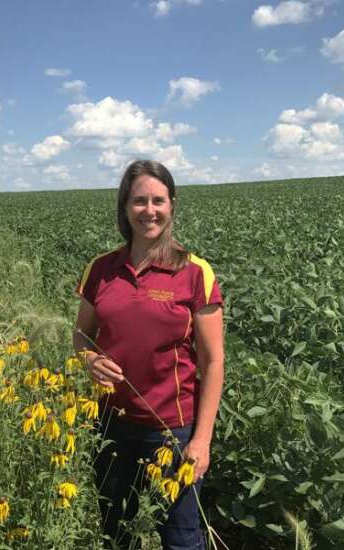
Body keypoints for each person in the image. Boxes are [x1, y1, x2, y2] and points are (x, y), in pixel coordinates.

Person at [73, 159, 225, 549]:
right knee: (116, 529)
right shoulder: (101, 269)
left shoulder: (195, 273)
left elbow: (212, 361)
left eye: (158, 200)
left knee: (181, 537)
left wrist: (201, 440)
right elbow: (81, 336)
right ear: (125, 207)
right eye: (139, 200)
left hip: (172, 430)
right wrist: (89, 360)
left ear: (172, 205)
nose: (149, 210)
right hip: (110, 424)